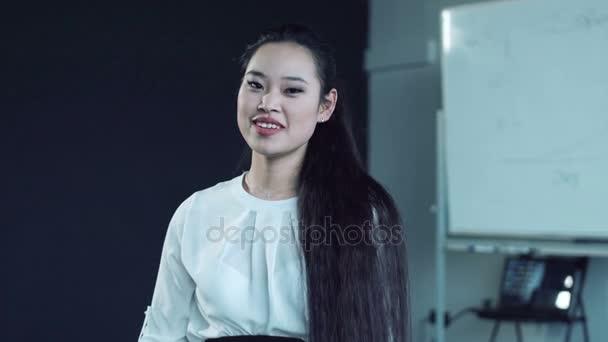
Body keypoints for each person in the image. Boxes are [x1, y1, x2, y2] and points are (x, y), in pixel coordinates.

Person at [138, 24, 410, 342]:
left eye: (292, 90)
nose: (268, 102)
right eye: (255, 85)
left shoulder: (361, 213)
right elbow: (161, 334)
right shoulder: (197, 210)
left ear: (325, 106)